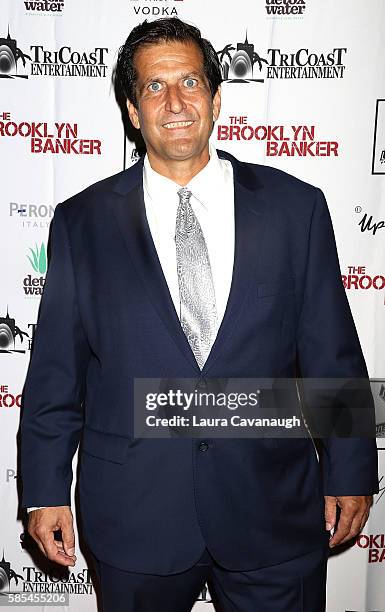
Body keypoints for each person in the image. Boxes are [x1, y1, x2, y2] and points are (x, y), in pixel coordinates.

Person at [20, 16, 378, 612]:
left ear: (216, 98)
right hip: (135, 515)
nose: (175, 101)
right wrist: (44, 491)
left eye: (189, 82)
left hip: (273, 511)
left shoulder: (297, 209)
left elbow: (331, 352)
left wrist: (350, 471)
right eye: (154, 88)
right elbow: (55, 371)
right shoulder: (80, 224)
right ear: (133, 112)